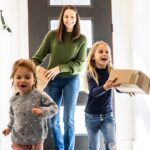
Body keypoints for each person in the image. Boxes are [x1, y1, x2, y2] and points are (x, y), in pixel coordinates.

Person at [31, 5, 87, 150]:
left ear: (76, 19)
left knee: (68, 119)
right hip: (52, 81)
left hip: (71, 80)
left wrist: (60, 68)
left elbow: (80, 64)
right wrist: (27, 69)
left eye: (72, 17)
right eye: (66, 16)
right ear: (62, 18)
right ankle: (59, 148)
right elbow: (37, 58)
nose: (69, 20)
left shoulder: (82, 39)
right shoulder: (52, 35)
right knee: (53, 120)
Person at [2, 59, 58, 150]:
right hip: (18, 140)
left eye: (27, 77)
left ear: (34, 80)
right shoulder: (13, 99)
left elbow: (54, 108)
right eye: (18, 77)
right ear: (13, 79)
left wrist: (42, 111)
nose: (22, 80)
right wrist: (8, 128)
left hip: (37, 140)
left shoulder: (39, 95)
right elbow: (12, 118)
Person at [84, 41, 121, 150]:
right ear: (93, 57)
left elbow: (118, 88)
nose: (104, 54)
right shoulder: (90, 72)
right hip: (91, 117)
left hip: (107, 116)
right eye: (100, 52)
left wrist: (127, 89)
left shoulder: (112, 71)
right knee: (93, 146)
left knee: (111, 144)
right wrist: (105, 87)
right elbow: (94, 92)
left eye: (107, 52)